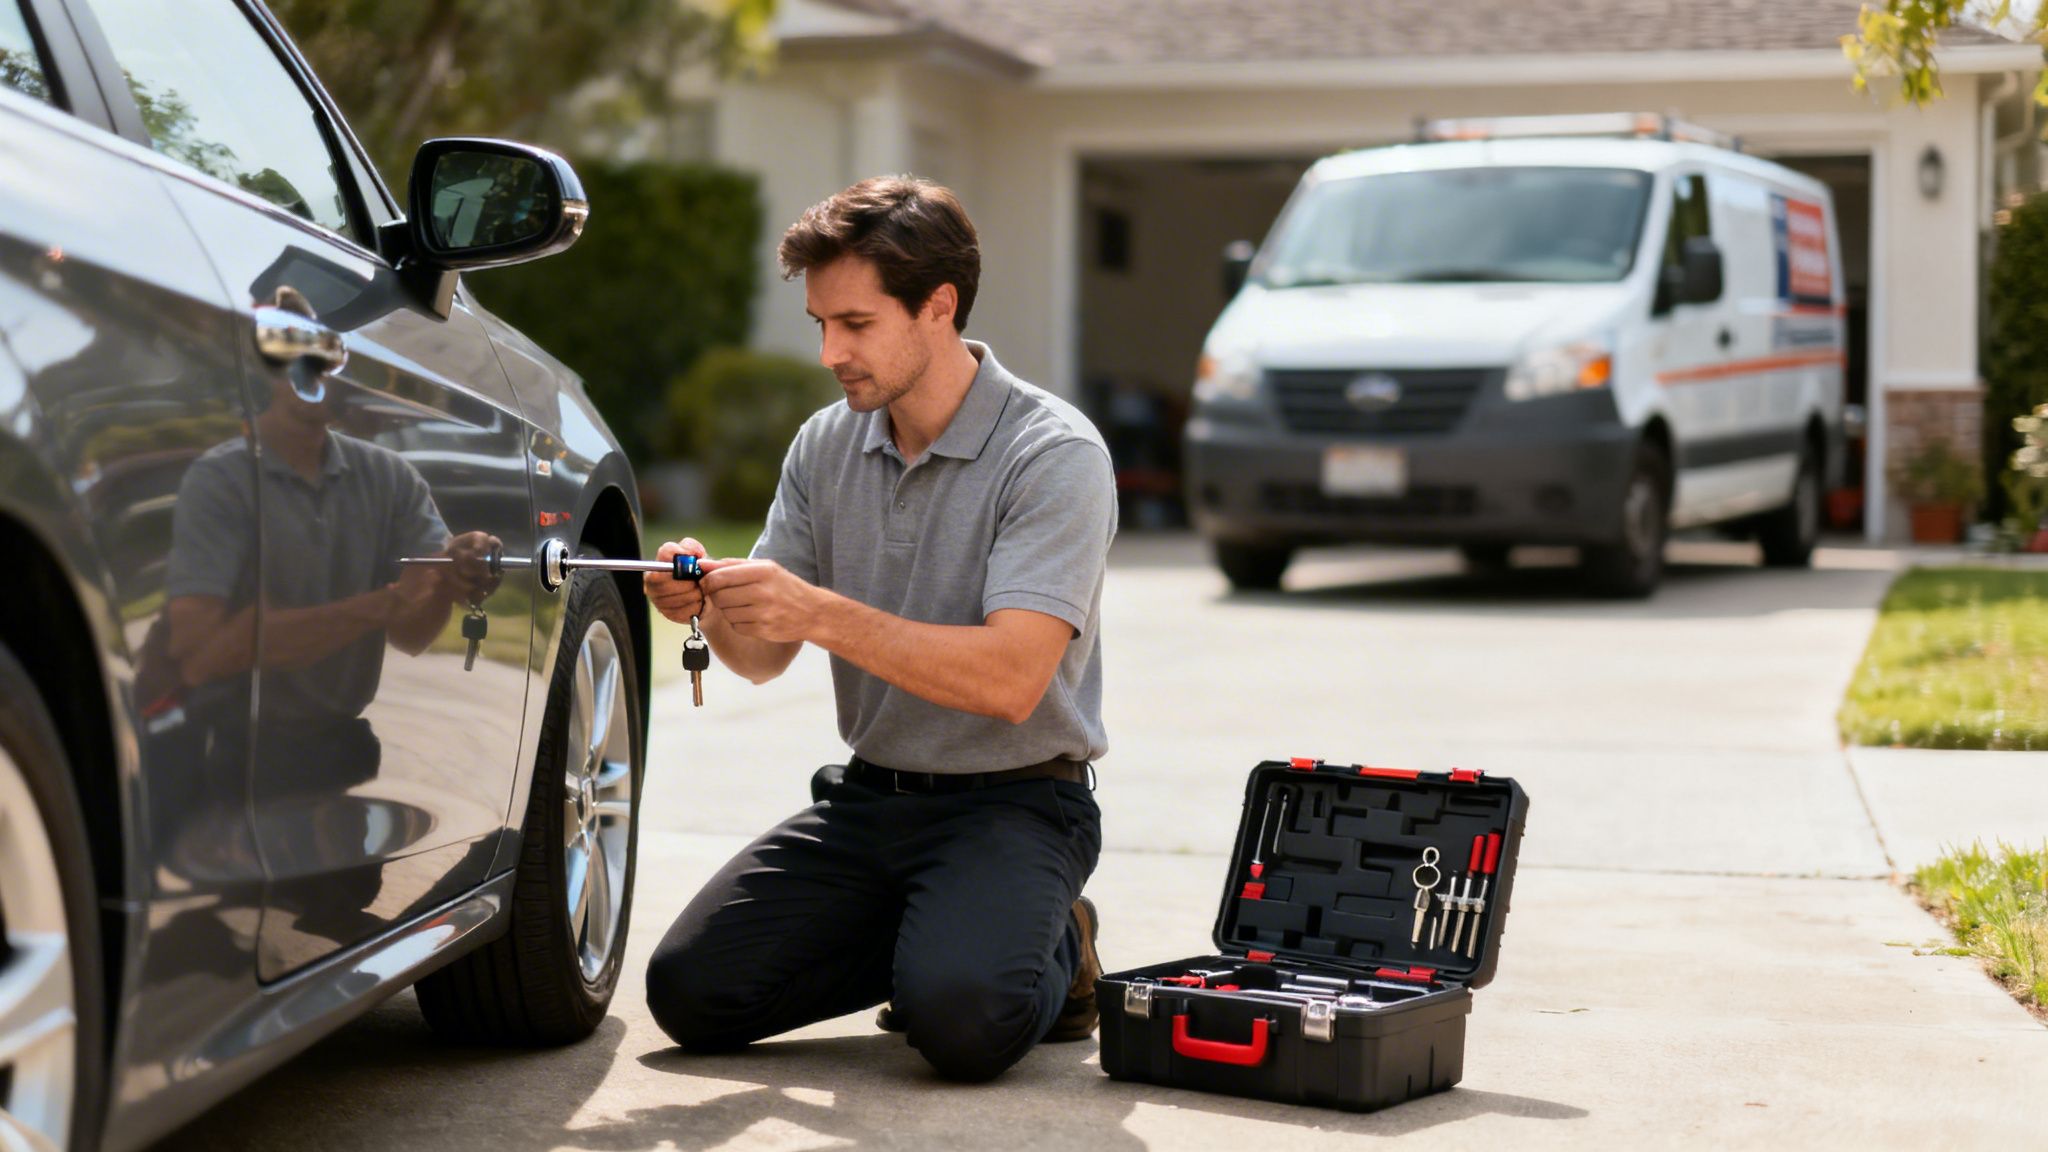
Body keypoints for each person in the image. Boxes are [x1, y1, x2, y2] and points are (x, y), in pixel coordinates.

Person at [642, 176, 1118, 1082]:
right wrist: (713, 605)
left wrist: (817, 610)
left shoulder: (1053, 455)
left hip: (1018, 802)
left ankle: (1054, 935)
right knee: (691, 995)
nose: (830, 352)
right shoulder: (828, 444)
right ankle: (945, 934)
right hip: (870, 801)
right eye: (820, 323)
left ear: (937, 306)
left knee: (964, 1026)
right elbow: (762, 660)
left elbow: (1012, 681)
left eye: (854, 325)